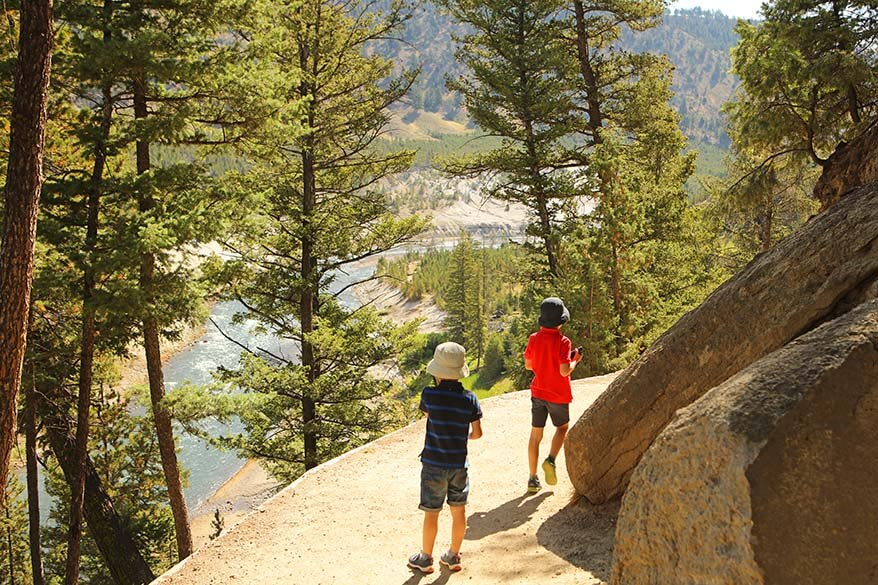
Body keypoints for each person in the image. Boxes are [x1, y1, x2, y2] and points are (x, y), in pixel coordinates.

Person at [408, 342, 483, 574]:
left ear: (437, 372)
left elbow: (428, 414)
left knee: (432, 513)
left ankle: (425, 558)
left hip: (433, 464)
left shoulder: (429, 394)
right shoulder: (470, 399)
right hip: (459, 465)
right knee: (458, 510)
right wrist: (464, 436)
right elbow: (478, 433)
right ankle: (453, 556)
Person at [523, 297, 581, 493]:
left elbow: (529, 365)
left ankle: (532, 479)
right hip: (558, 394)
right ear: (561, 320)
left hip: (538, 391)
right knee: (562, 428)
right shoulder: (563, 342)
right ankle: (550, 460)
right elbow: (564, 371)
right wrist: (575, 360)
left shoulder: (533, 338)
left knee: (535, 435)